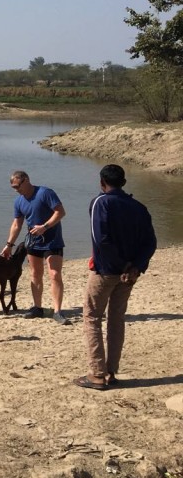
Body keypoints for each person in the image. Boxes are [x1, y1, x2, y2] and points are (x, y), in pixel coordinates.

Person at [75, 164, 157, 391]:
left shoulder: (101, 202)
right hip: (128, 273)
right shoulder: (139, 207)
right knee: (116, 319)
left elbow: (100, 238)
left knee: (91, 317)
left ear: (102, 182)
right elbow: (150, 242)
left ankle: (97, 374)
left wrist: (123, 266)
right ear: (124, 182)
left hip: (107, 271)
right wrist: (135, 267)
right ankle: (111, 371)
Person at [2, 170, 69, 324]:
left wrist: (45, 226)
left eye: (17, 186)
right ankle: (37, 308)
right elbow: (16, 224)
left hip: (53, 241)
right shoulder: (18, 201)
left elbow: (60, 212)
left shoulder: (45, 193)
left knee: (54, 274)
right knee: (35, 274)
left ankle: (58, 311)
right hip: (34, 242)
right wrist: (9, 245)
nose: (16, 189)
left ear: (26, 180)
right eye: (13, 187)